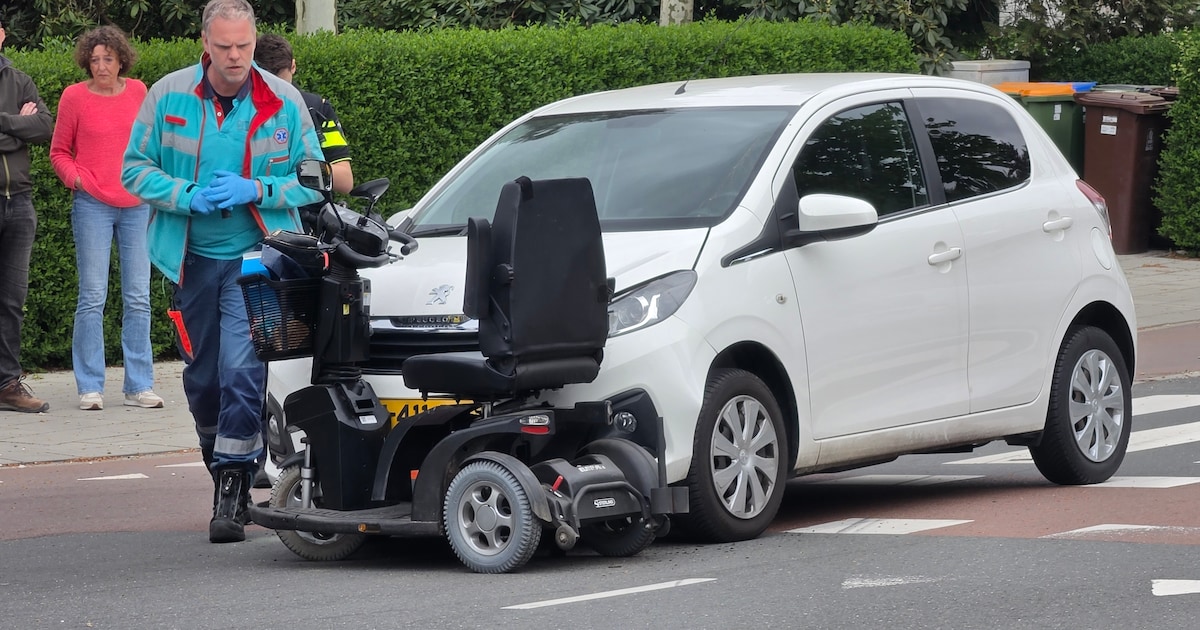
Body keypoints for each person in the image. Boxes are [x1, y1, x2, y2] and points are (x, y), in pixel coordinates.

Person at [122, 0, 324, 543]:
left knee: (241, 372)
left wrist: (256, 188)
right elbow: (133, 170)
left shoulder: (282, 100)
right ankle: (221, 460)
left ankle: (231, 492)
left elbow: (316, 177)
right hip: (188, 261)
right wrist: (186, 195)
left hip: (255, 261)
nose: (236, 57)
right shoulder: (167, 96)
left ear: (255, 42)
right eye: (225, 47)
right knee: (203, 379)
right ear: (205, 44)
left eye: (245, 46)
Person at [51, 26, 163, 412]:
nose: (101, 66)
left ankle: (139, 384)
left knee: (138, 296)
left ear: (121, 61)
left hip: (136, 205)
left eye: (108, 59)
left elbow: (151, 145)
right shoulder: (74, 97)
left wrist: (150, 183)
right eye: (95, 59)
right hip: (92, 204)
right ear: (87, 61)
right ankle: (90, 386)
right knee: (92, 296)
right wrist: (78, 180)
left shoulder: (138, 92)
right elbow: (59, 152)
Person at [0, 20, 54, 414]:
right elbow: (28, 127)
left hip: (19, 201)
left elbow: (45, 126)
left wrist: (5, 122)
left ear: (2, 33)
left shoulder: (19, 79)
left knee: (12, 300)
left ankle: (6, 385)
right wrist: (19, 124)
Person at [253, 32, 352, 236]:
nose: (278, 93)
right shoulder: (242, 111)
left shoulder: (317, 109)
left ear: (294, 67)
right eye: (268, 83)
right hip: (259, 226)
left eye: (281, 83)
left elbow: (345, 180)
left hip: (312, 229)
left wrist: (294, 176)